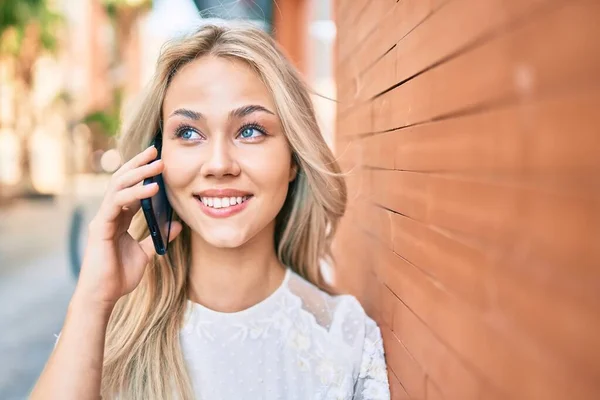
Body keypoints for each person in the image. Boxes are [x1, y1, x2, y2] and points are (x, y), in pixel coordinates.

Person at [31, 23, 390, 400]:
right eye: (188, 133)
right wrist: (93, 297)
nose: (219, 164)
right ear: (155, 159)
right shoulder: (102, 334)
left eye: (250, 130)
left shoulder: (344, 338)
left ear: (293, 159)